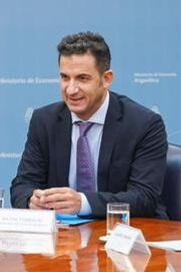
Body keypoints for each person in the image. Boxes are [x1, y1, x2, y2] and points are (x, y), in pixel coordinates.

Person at [10, 31, 167, 218]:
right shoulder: (44, 120)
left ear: (106, 79)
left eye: (82, 78)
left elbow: (144, 198)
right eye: (65, 77)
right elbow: (22, 185)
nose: (71, 89)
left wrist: (83, 203)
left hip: (122, 235)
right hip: (63, 238)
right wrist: (31, 201)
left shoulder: (144, 124)